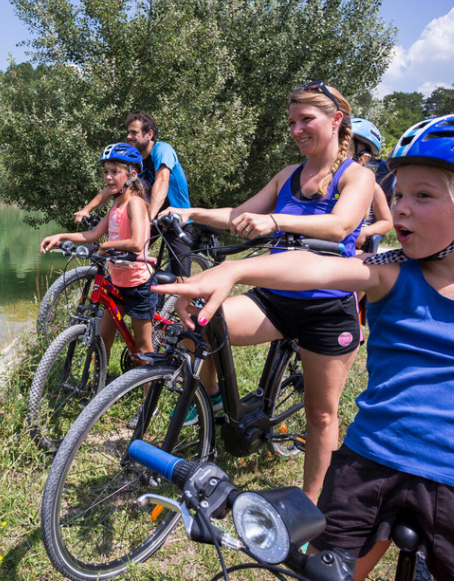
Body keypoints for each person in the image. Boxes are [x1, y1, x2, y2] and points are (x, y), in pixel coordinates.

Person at [155, 113, 454, 581]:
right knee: (320, 572)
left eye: (423, 195)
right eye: (398, 194)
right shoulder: (389, 272)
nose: (400, 210)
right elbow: (315, 267)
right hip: (370, 462)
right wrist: (234, 272)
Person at [160, 81, 375, 502]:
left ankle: (311, 506)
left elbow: (340, 226)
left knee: (321, 413)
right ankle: (217, 401)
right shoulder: (287, 176)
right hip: (275, 298)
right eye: (291, 122)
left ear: (336, 121)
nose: (296, 130)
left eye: (305, 120)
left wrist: (276, 221)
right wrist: (190, 211)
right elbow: (239, 215)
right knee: (203, 325)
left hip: (327, 308)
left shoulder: (358, 176)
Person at [42, 143, 158, 364]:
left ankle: (148, 396)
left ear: (132, 174)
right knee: (103, 341)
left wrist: (107, 246)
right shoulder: (115, 206)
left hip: (139, 285)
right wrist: (60, 237)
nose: (108, 177)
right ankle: (96, 391)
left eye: (115, 172)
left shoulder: (135, 204)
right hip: (117, 283)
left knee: (143, 349)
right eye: (105, 172)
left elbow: (137, 242)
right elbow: (93, 234)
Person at [74, 112, 193, 276]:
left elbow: (162, 181)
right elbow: (112, 186)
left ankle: (192, 298)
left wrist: (150, 217)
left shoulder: (162, 150)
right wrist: (86, 209)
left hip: (176, 220)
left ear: (149, 134)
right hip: (149, 218)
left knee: (182, 281)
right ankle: (148, 292)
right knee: (123, 256)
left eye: (134, 133)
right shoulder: (133, 160)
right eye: (128, 132)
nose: (129, 136)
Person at [349, 118, 393, 251]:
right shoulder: (327, 181)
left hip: (355, 246)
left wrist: (364, 232)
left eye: (342, 151)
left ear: (363, 158)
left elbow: (386, 222)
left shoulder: (372, 188)